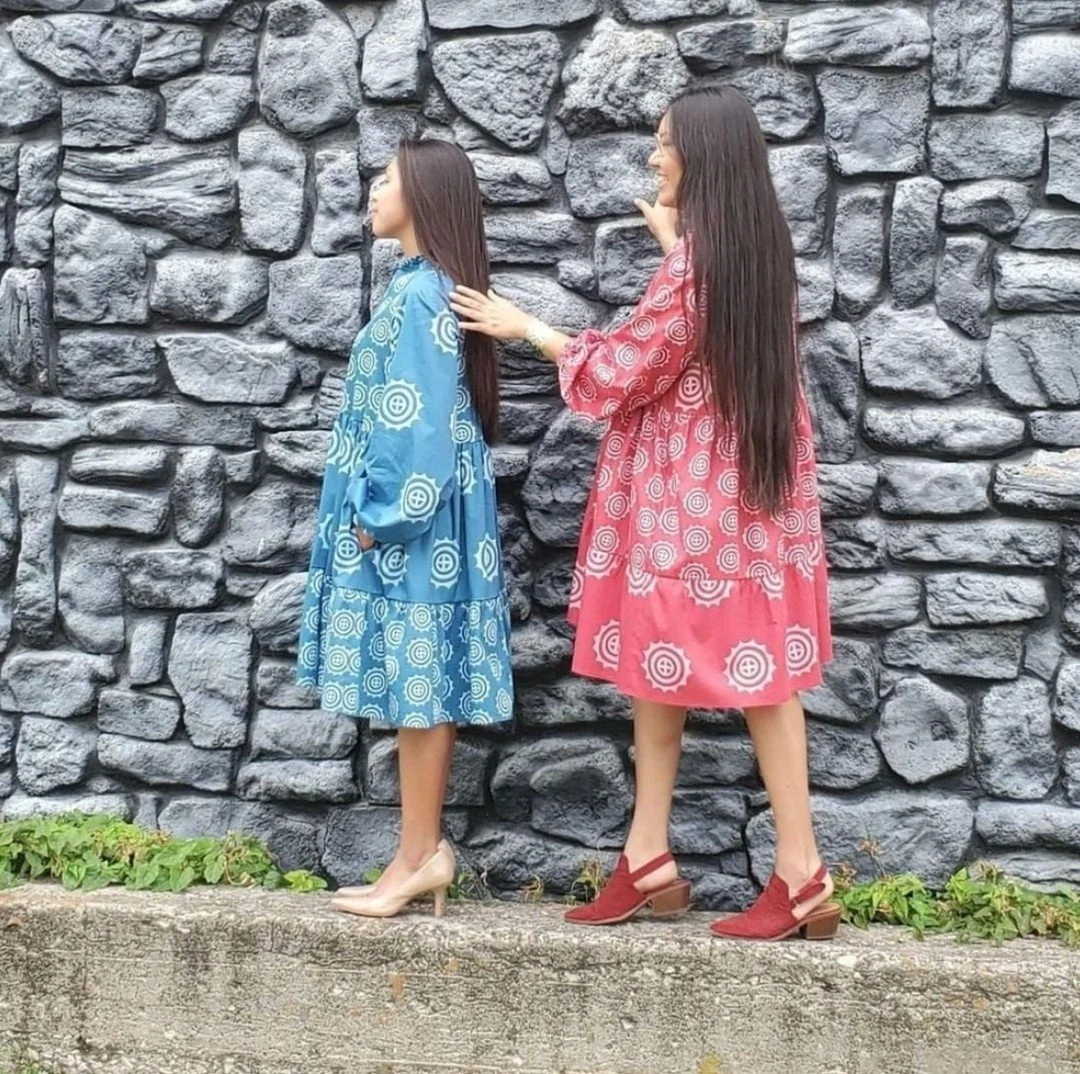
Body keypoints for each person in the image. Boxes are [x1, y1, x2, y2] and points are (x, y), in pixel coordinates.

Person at [450, 86, 837, 942]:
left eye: (664, 144)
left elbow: (624, 370)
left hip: (689, 510)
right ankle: (650, 852)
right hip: (751, 506)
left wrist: (529, 330)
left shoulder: (699, 270)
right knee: (694, 671)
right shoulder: (749, 253)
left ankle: (801, 870)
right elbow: (691, 322)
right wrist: (672, 249)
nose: (654, 157)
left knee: (747, 679)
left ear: (702, 157)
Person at [297, 138, 513, 920]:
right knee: (417, 689)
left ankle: (421, 855)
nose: (373, 189)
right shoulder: (420, 286)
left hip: (414, 524)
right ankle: (415, 854)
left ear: (420, 195)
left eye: (385, 179)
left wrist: (380, 519)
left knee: (421, 688)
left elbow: (416, 427)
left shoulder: (422, 296)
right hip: (424, 520)